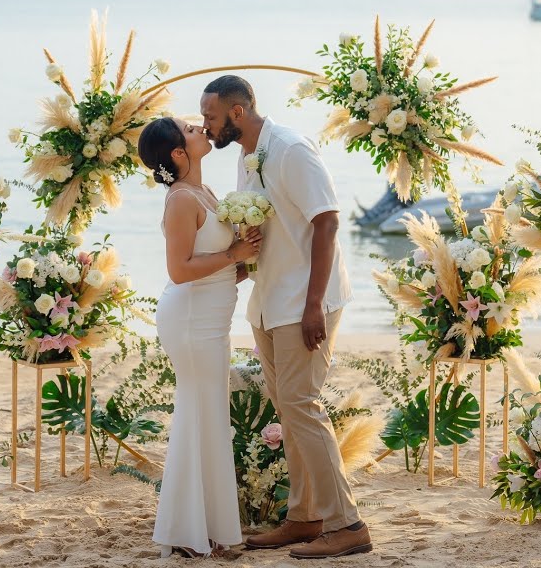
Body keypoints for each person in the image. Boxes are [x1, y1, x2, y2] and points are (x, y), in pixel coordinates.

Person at [199, 75, 372, 559]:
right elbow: (268, 227)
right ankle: (304, 517)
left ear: (237, 113)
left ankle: (348, 524)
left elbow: (327, 220)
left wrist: (314, 303)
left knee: (302, 405)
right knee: (289, 411)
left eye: (210, 117)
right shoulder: (245, 154)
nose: (205, 125)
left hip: (303, 303)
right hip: (270, 299)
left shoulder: (292, 149)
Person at [138, 116, 259, 559]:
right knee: (198, 413)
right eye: (189, 129)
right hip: (190, 321)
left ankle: (203, 528)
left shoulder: (205, 193)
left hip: (211, 319)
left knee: (208, 415)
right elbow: (179, 270)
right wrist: (233, 254)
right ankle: (189, 532)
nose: (199, 128)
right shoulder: (181, 201)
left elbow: (219, 266)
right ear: (177, 154)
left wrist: (246, 264)